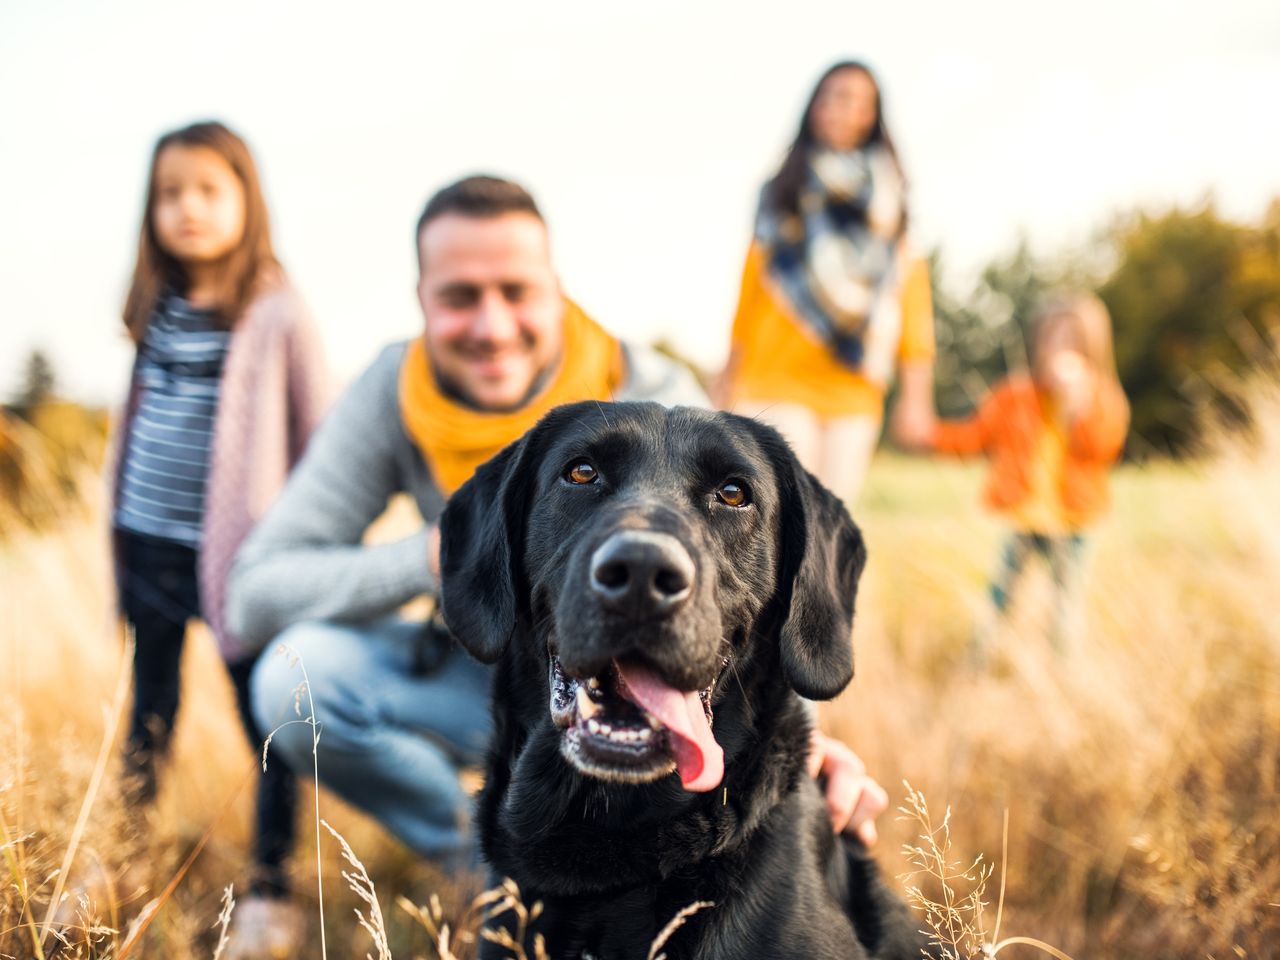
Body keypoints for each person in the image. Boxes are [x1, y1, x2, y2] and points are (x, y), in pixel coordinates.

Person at [231, 175, 889, 885]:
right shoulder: (393, 392)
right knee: (294, 680)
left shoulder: (656, 394)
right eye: (459, 297)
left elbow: (741, 584)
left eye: (516, 292)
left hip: (642, 669)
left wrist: (810, 745)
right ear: (421, 300)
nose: (491, 326)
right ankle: (494, 870)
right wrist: (442, 556)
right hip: (482, 663)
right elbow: (256, 592)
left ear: (556, 289)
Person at [109, 121, 331, 946]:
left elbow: (322, 432)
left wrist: (305, 544)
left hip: (243, 564)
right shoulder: (154, 307)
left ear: (247, 200)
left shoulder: (276, 307)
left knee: (267, 718)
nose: (188, 209)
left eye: (208, 190)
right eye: (170, 194)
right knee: (149, 712)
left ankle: (272, 885)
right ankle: (124, 856)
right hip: (148, 545)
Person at [720, 60, 936, 504]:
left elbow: (911, 299)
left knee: (829, 525)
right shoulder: (781, 190)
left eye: (860, 102)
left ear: (873, 117)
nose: (845, 109)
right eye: (835, 95)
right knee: (776, 513)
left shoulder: (892, 204)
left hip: (853, 388)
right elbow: (750, 291)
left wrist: (917, 397)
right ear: (815, 106)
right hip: (774, 379)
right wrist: (725, 378)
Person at [927, 292, 1129, 650]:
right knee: (1000, 595)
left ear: (1092, 347)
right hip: (1024, 517)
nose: (1059, 349)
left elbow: (1103, 448)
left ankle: (1062, 668)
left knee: (1065, 603)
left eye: (1071, 340)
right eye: (1051, 338)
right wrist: (929, 434)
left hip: (1074, 522)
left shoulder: (1103, 398)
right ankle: (979, 659)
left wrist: (1077, 406)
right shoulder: (1015, 396)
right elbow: (975, 436)